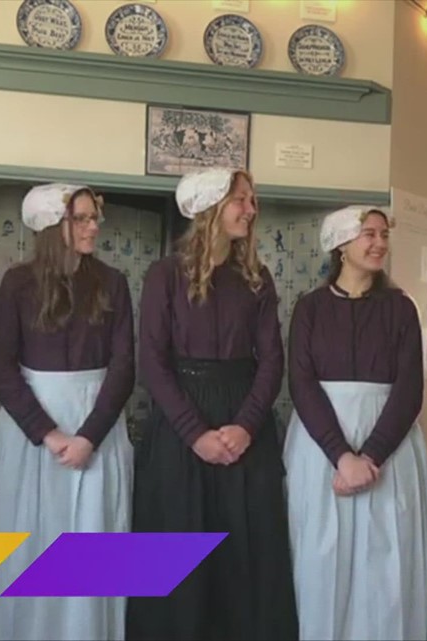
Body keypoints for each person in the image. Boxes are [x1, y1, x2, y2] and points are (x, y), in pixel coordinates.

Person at [125, 167, 299, 641]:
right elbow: (153, 362)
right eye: (240, 199)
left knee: (248, 553)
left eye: (251, 199)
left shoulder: (256, 277)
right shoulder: (164, 274)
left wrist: (245, 426)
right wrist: (195, 433)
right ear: (210, 209)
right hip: (183, 427)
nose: (251, 208)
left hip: (247, 423)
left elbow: (271, 360)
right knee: (176, 553)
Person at [0, 183, 135, 640]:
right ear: (52, 225)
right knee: (27, 546)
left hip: (97, 430)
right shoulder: (18, 283)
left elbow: (124, 368)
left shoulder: (112, 282)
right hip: (32, 434)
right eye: (81, 218)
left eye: (93, 218)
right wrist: (49, 433)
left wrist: (88, 436)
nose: (93, 226)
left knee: (93, 545)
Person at [284, 205, 427, 640]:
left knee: (387, 556)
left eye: (383, 234)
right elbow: (302, 383)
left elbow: (409, 389)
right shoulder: (309, 308)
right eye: (368, 234)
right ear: (340, 245)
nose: (379, 243)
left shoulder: (401, 309)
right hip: (320, 447)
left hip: (389, 447)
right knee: (321, 554)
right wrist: (341, 455)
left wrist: (370, 455)